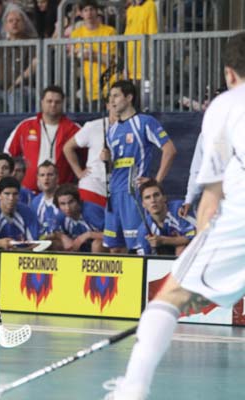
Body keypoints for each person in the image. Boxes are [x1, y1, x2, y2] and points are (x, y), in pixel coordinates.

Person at [103, 32, 245, 400]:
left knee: (168, 298)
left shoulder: (226, 106)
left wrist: (198, 254)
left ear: (229, 74)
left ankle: (132, 389)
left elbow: (211, 197)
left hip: (239, 219)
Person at [101, 80, 176, 254]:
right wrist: (107, 160)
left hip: (133, 193)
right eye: (110, 97)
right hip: (114, 194)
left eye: (116, 96)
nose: (112, 101)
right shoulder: (112, 130)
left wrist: (155, 182)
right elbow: (116, 165)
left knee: (137, 247)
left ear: (129, 98)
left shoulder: (144, 122)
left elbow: (170, 150)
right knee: (114, 247)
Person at [4, 85, 81, 192]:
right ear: (42, 102)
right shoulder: (25, 126)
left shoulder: (74, 129)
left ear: (63, 103)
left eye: (57, 102)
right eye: (49, 101)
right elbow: (8, 154)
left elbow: (87, 159)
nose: (53, 105)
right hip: (29, 191)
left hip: (61, 194)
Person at [63, 97, 117, 208]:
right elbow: (67, 147)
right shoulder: (93, 126)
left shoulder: (133, 127)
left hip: (119, 186)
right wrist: (79, 172)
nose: (116, 106)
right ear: (107, 106)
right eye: (113, 103)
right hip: (93, 186)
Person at [70, 0, 117, 109]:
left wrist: (91, 53)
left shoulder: (109, 31)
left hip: (110, 84)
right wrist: (98, 55)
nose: (89, 13)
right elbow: (75, 54)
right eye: (85, 10)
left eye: (91, 9)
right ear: (81, 13)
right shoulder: (76, 34)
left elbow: (110, 60)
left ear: (97, 11)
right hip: (90, 88)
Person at [0, 176, 39, 251]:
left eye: (15, 194)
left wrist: (17, 251)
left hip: (21, 255)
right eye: (7, 194)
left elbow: (35, 244)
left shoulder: (28, 213)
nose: (11, 198)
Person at [134, 179, 195, 256]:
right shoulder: (143, 230)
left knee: (181, 248)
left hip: (197, 251)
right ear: (143, 204)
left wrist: (163, 240)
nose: (153, 200)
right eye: (147, 197)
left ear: (164, 198)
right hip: (166, 257)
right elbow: (142, 258)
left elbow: (195, 236)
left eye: (156, 195)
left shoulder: (180, 209)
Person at [52, 183, 105, 253]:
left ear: (78, 201)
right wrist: (62, 237)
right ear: (58, 206)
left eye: (71, 202)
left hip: (108, 248)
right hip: (82, 249)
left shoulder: (91, 211)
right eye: (63, 204)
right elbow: (54, 232)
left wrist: (89, 235)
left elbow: (113, 234)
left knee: (97, 244)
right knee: (55, 243)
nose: (67, 208)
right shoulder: (61, 215)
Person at [124, 0, 158, 81]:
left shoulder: (150, 5)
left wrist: (151, 62)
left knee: (145, 87)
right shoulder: (130, 9)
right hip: (130, 65)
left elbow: (152, 34)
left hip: (144, 63)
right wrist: (125, 65)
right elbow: (126, 39)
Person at [30, 161, 60, 242]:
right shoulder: (35, 202)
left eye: (50, 175)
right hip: (42, 243)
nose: (46, 178)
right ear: (38, 178)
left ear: (57, 178)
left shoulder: (65, 199)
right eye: (42, 175)